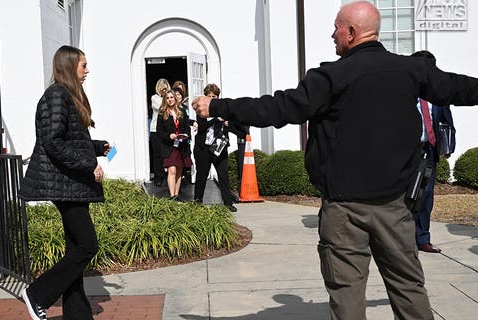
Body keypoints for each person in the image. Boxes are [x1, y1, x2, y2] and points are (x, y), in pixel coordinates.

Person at [192, 2, 478, 319]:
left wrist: (218, 107)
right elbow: (460, 88)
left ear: (352, 32)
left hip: (344, 213)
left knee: (346, 297)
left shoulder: (331, 77)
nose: (332, 35)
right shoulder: (410, 70)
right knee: (409, 291)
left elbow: (278, 109)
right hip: (395, 210)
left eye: (336, 28)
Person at [18, 45, 110, 320]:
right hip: (63, 183)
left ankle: (78, 314)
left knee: (76, 247)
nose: (87, 70)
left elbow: (67, 138)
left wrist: (96, 147)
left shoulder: (66, 96)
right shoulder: (56, 95)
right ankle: (37, 294)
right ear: (69, 67)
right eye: (83, 65)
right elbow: (53, 142)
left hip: (69, 183)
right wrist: (89, 164)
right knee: (87, 245)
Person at [410, 50, 456, 254]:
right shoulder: (404, 92)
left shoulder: (438, 94)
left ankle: (422, 239)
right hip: (406, 152)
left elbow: (446, 120)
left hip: (429, 150)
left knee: (425, 197)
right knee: (403, 195)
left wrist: (448, 145)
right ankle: (402, 239)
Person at [193, 84, 238, 212]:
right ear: (206, 97)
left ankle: (228, 202)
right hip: (204, 148)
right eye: (210, 96)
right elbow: (201, 127)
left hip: (220, 147)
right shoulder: (201, 110)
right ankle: (197, 202)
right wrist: (216, 120)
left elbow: (232, 126)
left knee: (223, 175)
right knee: (202, 175)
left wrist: (228, 123)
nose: (212, 98)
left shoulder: (224, 110)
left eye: (215, 96)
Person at [156, 89, 192, 200]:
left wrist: (185, 135)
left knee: (179, 170)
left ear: (175, 98)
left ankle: (176, 195)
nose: (170, 100)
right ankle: (172, 196)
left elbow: (187, 127)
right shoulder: (162, 113)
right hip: (169, 146)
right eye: (167, 98)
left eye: (171, 97)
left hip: (181, 145)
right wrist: (169, 136)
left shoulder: (181, 112)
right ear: (165, 100)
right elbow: (159, 130)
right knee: (172, 170)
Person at [149, 78, 170, 186]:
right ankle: (158, 177)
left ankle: (168, 175)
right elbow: (162, 108)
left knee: (167, 153)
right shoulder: (155, 98)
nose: (164, 91)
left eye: (166, 89)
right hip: (155, 130)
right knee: (157, 154)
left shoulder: (168, 98)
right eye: (162, 89)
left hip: (166, 129)